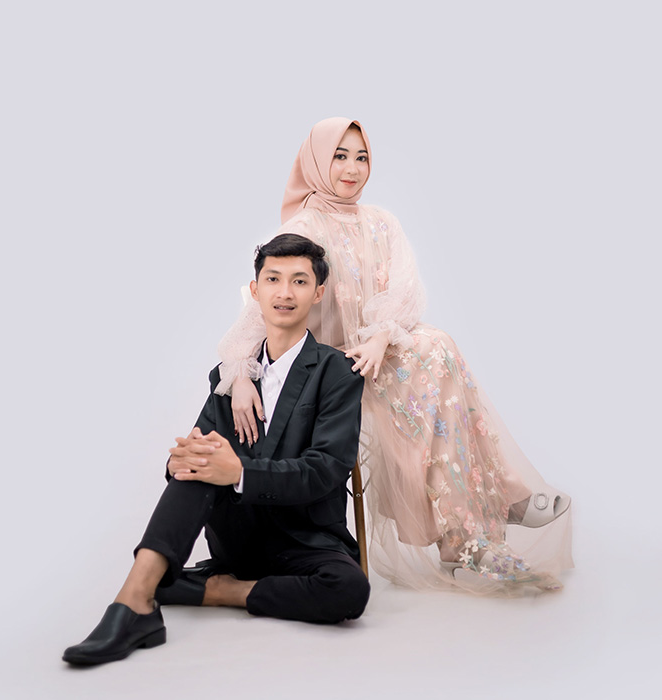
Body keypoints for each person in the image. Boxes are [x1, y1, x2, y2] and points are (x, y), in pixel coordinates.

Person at [216, 118, 573, 595]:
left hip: (380, 349)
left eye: (361, 157)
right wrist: (241, 375)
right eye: (339, 156)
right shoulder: (304, 226)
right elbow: (261, 308)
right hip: (330, 364)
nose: (352, 169)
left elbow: (406, 291)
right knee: (434, 352)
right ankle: (488, 511)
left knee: (436, 346)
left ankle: (473, 527)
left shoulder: (382, 221)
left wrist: (381, 337)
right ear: (317, 162)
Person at [63, 234, 369, 666]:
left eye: (299, 281)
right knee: (198, 463)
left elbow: (326, 469)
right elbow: (200, 450)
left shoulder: (338, 372)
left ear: (318, 293)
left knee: (350, 591)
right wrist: (178, 461)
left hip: (306, 540)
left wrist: (240, 473)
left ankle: (220, 590)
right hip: (240, 536)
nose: (284, 292)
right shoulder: (229, 378)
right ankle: (133, 605)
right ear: (255, 290)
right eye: (273, 279)